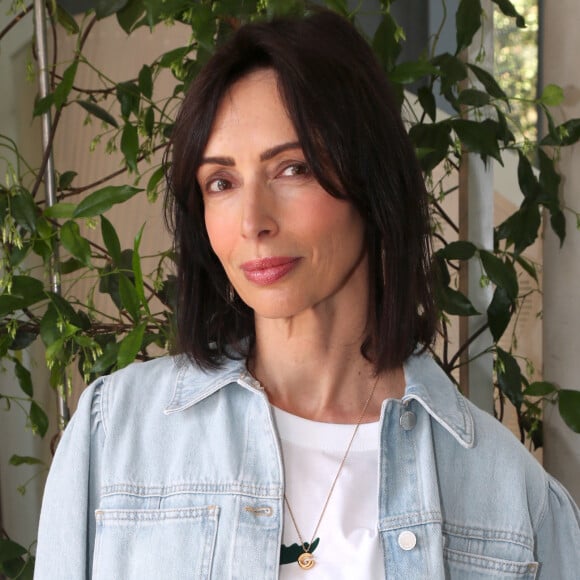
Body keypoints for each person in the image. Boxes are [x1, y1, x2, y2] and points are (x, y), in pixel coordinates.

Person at [35, 9, 580, 580]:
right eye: (221, 182)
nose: (252, 221)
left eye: (292, 168)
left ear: (370, 180)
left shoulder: (516, 501)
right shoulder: (113, 432)